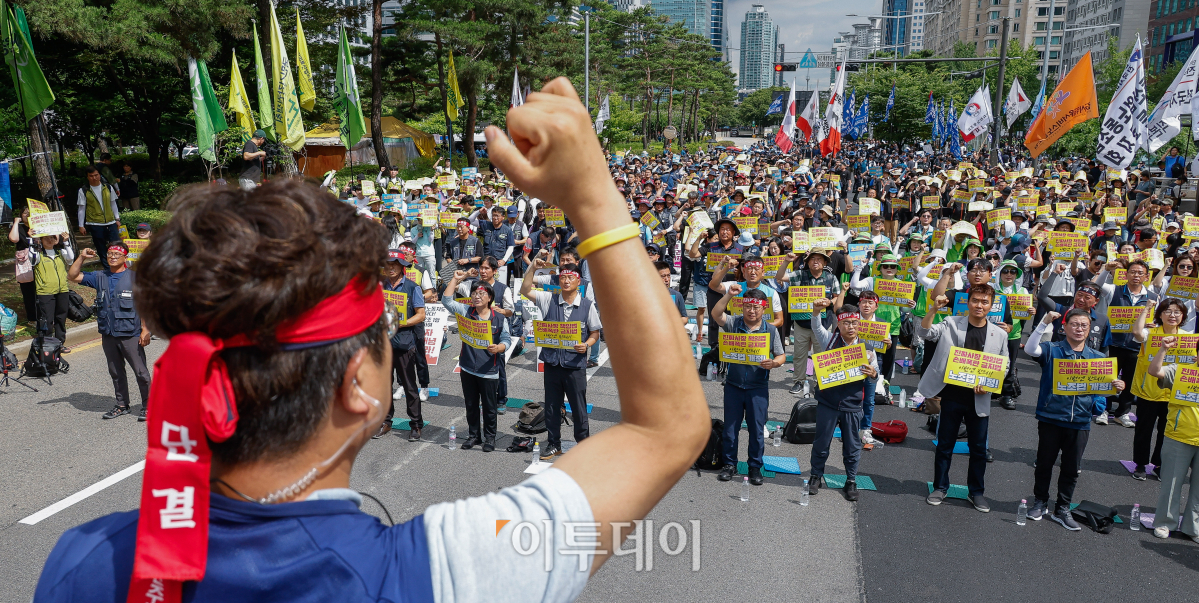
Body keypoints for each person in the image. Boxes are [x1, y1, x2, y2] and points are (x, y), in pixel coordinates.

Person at [32, 79, 709, 603]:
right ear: (357, 381)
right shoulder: (429, 574)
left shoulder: (83, 559)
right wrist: (593, 194)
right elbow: (666, 428)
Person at [1022, 308, 1125, 529]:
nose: (1079, 329)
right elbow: (1031, 349)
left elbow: (1105, 388)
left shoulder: (1098, 358)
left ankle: (1062, 507)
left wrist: (1117, 386)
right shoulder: (1052, 349)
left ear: (1089, 330)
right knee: (1044, 463)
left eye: (1084, 326)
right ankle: (1040, 501)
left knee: (1071, 468)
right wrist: (1043, 323)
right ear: (1064, 327)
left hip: (1080, 421)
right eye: (1075, 324)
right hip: (1051, 417)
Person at [917, 284, 1009, 512]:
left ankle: (976, 492)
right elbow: (925, 333)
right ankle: (940, 487)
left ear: (991, 305)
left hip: (980, 397)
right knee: (944, 444)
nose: (979, 305)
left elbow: (1004, 365)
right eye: (975, 300)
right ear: (968, 302)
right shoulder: (950, 323)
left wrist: (988, 385)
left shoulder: (1000, 334)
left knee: (978, 448)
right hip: (952, 394)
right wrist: (933, 310)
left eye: (984, 302)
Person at [521, 257, 601, 460]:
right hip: (552, 363)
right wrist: (532, 268)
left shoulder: (586, 305)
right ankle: (554, 443)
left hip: (575, 365)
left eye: (570, 278)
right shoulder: (548, 299)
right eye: (563, 277)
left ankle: (583, 443)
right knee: (551, 406)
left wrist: (587, 345)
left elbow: (595, 333)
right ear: (558, 281)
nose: (566, 281)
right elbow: (525, 289)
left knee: (578, 407)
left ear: (578, 281)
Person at [67, 242, 153, 421]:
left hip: (130, 332)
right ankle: (122, 405)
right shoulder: (99, 276)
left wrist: (146, 329)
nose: (112, 256)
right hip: (109, 333)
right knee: (115, 371)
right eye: (109, 254)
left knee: (141, 372)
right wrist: (82, 257)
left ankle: (149, 406)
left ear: (125, 257)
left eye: (116, 254)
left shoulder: (136, 278)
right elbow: (72, 276)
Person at [710, 286, 786, 486]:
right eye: (748, 307)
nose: (752, 311)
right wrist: (729, 295)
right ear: (742, 307)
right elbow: (716, 313)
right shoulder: (734, 323)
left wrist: (775, 363)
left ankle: (754, 466)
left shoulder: (770, 329)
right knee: (730, 429)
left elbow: (781, 355)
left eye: (756, 308)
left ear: (764, 309)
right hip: (734, 386)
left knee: (756, 429)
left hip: (757, 387)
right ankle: (729, 464)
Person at [806, 298, 879, 501]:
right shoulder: (829, 340)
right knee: (821, 442)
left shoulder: (867, 348)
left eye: (854, 323)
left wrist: (873, 373)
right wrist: (815, 311)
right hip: (828, 403)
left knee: (852, 445)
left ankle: (851, 480)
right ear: (839, 323)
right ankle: (815, 476)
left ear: (859, 324)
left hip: (852, 405)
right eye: (846, 322)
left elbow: (876, 375)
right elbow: (816, 326)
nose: (850, 327)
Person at [442, 270, 510, 452]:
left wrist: (499, 348)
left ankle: (490, 438)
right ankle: (474, 436)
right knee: (471, 405)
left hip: (489, 370)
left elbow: (507, 340)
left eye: (482, 294)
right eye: (474, 293)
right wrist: (455, 279)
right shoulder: (466, 311)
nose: (477, 297)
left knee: (489, 407)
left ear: (490, 298)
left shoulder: (499, 318)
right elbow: (447, 301)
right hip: (468, 368)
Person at [1128, 298, 1191, 480]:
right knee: (1144, 429)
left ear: (1183, 316)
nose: (1173, 315)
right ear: (1160, 314)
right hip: (1149, 390)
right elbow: (1137, 332)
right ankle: (1140, 464)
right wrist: (1147, 308)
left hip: (1174, 392)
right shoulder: (1151, 333)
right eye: (1168, 311)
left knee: (1167, 431)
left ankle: (1159, 464)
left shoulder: (1188, 337)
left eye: (1177, 312)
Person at [1145, 335, 1199, 542]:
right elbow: (1154, 371)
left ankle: (1193, 528)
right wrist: (1163, 350)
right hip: (1178, 436)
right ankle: (1165, 523)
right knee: (1171, 484)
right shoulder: (1180, 371)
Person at [1095, 259, 1159, 427]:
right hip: (1113, 342)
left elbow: (1156, 321)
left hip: (1136, 345)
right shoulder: (1113, 289)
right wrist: (1105, 270)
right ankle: (1103, 409)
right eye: (1132, 272)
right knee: (1109, 376)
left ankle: (1122, 413)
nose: (1136, 276)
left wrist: (1151, 326)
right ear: (1126, 274)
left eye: (1140, 273)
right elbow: (1096, 287)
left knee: (1130, 380)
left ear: (1146, 276)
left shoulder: (1152, 297)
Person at [375, 250, 427, 441]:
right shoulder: (380, 286)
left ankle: (415, 424)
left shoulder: (413, 287)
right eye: (388, 264)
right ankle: (386, 421)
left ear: (402, 267)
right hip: (384, 343)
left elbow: (421, 314)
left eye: (395, 264)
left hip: (405, 342)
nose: (390, 268)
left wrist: (402, 323)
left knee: (409, 386)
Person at [776, 249, 841, 395]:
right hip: (802, 323)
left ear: (825, 262)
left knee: (821, 354)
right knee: (799, 353)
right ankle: (798, 381)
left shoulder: (831, 278)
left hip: (822, 323)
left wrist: (829, 301)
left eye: (819, 259)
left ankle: (819, 382)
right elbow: (779, 277)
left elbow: (837, 297)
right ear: (807, 262)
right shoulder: (800, 275)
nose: (816, 261)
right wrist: (786, 261)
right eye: (812, 259)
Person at [29, 231, 75, 346]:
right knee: (47, 319)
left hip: (62, 290)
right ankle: (47, 345)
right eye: (46, 238)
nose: (49, 240)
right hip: (45, 292)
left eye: (52, 237)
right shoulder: (39, 254)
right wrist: (32, 239)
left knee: (61, 318)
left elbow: (71, 259)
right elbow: (32, 258)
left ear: (56, 239)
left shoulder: (60, 252)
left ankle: (60, 343)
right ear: (41, 240)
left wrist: (66, 242)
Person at [76, 165, 122, 255]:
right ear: (87, 177)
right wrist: (81, 225)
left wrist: (117, 219)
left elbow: (113, 203)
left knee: (116, 246)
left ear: (100, 175)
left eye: (96, 175)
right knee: (101, 248)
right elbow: (81, 208)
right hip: (95, 223)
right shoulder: (84, 190)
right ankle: (106, 267)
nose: (94, 178)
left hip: (111, 222)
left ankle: (116, 267)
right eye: (91, 176)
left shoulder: (108, 187)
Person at [9, 206, 38, 324]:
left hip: (38, 259)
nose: (27, 214)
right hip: (25, 263)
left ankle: (44, 314)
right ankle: (32, 318)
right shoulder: (19, 228)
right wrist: (16, 222)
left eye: (30, 213)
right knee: (28, 290)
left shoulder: (38, 226)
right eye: (24, 213)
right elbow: (14, 239)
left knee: (41, 289)